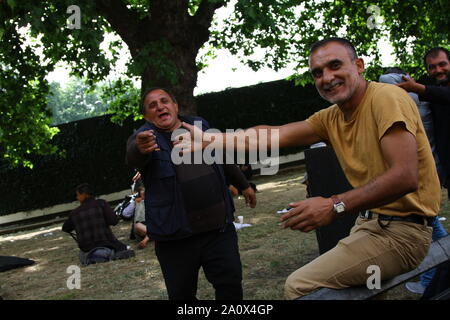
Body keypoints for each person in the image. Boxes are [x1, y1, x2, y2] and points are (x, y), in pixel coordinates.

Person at [178, 37, 440, 299]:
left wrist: (333, 205)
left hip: (403, 235)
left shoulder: (386, 98)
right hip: (370, 225)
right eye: (317, 72)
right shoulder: (331, 117)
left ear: (359, 65)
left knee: (300, 287)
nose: (327, 78)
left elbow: (405, 177)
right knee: (366, 291)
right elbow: (273, 135)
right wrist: (212, 139)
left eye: (335, 65)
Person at [125, 87, 257, 300]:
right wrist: (139, 147)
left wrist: (243, 184)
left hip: (218, 231)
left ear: (175, 106)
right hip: (175, 238)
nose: (160, 106)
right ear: (146, 116)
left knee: (230, 285)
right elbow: (133, 154)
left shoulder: (198, 125)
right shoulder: (144, 138)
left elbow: (220, 153)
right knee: (182, 296)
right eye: (152, 105)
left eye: (164, 101)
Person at [395, 48, 450, 294]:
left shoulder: (434, 91)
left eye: (442, 64)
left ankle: (432, 287)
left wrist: (417, 89)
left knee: (433, 228)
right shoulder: (430, 96)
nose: (437, 70)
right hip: (443, 173)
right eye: (432, 67)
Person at [62, 183, 133, 263]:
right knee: (124, 248)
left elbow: (65, 228)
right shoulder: (101, 204)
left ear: (84, 195)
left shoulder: (74, 213)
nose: (77, 198)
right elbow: (114, 221)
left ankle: (97, 256)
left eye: (78, 195)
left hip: (86, 248)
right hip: (106, 243)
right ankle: (108, 255)